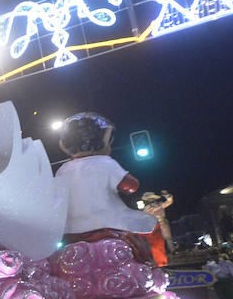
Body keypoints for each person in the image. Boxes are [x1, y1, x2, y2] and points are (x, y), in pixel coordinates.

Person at [54, 112, 158, 262]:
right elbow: (131, 186)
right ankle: (155, 264)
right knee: (151, 223)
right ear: (104, 140)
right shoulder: (105, 162)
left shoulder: (63, 169)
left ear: (64, 144)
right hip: (109, 221)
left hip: (70, 227)